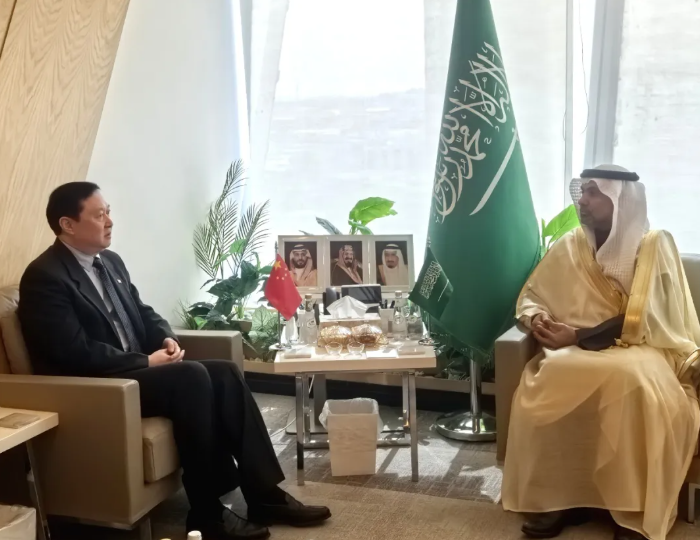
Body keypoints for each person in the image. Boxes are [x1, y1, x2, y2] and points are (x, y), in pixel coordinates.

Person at [18, 183, 331, 540]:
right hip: (99, 386)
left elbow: (142, 312)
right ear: (67, 224)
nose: (110, 221)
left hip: (135, 372)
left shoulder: (110, 263)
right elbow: (73, 352)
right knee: (191, 377)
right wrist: (145, 361)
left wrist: (166, 338)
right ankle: (206, 514)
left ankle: (265, 495)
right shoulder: (45, 276)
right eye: (99, 214)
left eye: (109, 211)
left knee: (225, 372)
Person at [501, 165, 700, 540]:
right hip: (573, 346)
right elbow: (534, 295)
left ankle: (630, 507)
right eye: (583, 192)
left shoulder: (655, 245)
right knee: (550, 377)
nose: (584, 201)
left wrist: (577, 335)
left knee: (628, 381)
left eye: (594, 193)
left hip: (644, 346)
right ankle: (557, 499)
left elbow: (652, 315)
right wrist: (540, 318)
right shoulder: (570, 244)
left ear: (620, 199)